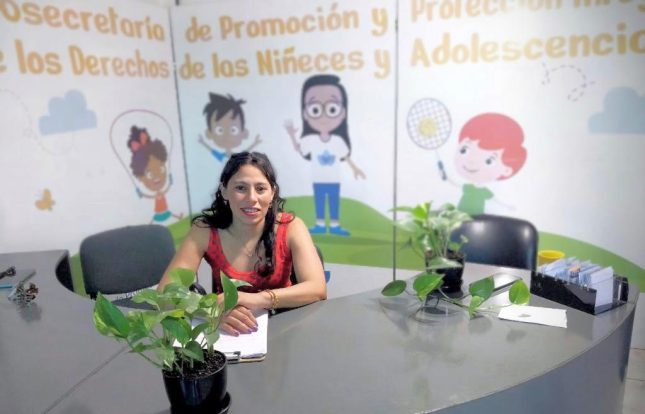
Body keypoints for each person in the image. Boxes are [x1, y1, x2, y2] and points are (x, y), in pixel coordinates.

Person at [158, 151, 326, 336]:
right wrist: (210, 311)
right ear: (224, 191)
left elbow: (317, 288)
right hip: (230, 331)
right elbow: (165, 294)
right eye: (241, 188)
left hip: (285, 326)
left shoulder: (291, 227)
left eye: (260, 189)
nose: (252, 198)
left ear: (272, 193)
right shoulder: (204, 231)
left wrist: (258, 299)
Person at [284, 74, 365, 237]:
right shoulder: (310, 140)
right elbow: (300, 149)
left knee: (334, 201)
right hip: (318, 179)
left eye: (332, 109)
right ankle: (320, 224)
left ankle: (335, 225)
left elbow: (346, 156)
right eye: (315, 110)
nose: (323, 117)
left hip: (334, 180)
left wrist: (355, 169)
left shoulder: (337, 140)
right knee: (320, 201)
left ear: (343, 113)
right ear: (305, 114)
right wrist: (292, 135)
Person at [449, 113, 527, 215]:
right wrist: (445, 177)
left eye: (489, 161)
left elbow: (495, 199)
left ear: (506, 170)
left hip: (478, 217)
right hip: (461, 214)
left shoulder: (484, 191)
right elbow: (455, 184)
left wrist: (507, 206)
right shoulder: (468, 187)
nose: (471, 161)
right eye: (464, 150)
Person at [128, 126, 183, 223]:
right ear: (141, 178)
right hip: (159, 210)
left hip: (164, 209)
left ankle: (178, 217)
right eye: (149, 174)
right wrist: (140, 193)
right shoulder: (158, 194)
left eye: (161, 169)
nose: (157, 176)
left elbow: (166, 189)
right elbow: (149, 196)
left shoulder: (161, 192)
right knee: (157, 217)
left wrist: (170, 181)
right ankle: (150, 224)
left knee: (168, 214)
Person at [199, 93, 261, 162]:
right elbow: (212, 151)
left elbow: (246, 152)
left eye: (233, 130)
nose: (227, 135)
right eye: (219, 130)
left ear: (244, 133)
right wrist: (202, 142)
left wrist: (255, 143)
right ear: (209, 133)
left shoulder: (237, 158)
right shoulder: (221, 157)